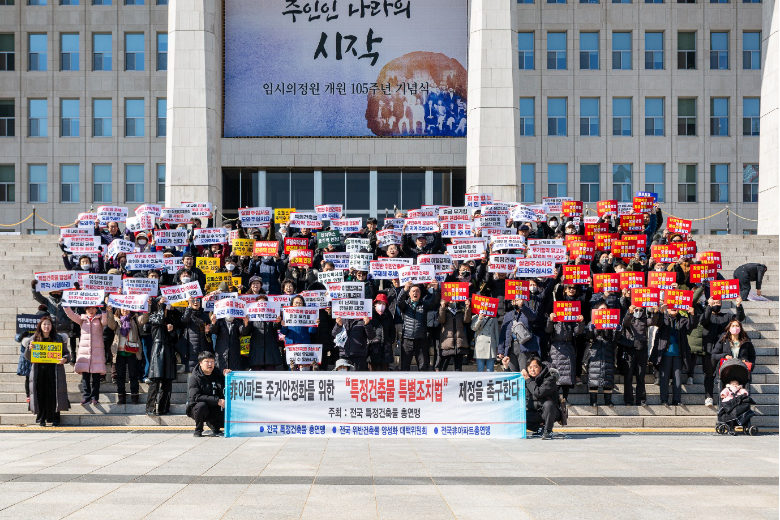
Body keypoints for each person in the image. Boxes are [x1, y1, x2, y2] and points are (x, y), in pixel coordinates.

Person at [22, 316, 70, 426]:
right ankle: (41, 418)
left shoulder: (58, 338)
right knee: (40, 394)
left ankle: (55, 418)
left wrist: (65, 359)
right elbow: (28, 357)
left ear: (52, 326)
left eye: (49, 324)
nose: (46, 326)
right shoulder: (34, 339)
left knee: (54, 393)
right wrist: (29, 349)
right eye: (44, 324)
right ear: (40, 326)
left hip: (54, 370)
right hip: (39, 370)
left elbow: (66, 353)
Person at [700, 296, 746, 406]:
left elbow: (739, 319)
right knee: (709, 374)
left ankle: (727, 397)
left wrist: (738, 305)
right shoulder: (708, 315)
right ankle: (708, 396)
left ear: (721, 304)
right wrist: (709, 306)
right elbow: (703, 321)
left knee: (727, 374)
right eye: (714, 302)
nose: (716, 304)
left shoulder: (727, 316)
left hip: (726, 350)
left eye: (718, 303)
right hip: (710, 350)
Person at [650, 303, 698, 406]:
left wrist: (692, 315)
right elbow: (656, 322)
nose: (673, 308)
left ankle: (677, 400)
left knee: (677, 378)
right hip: (665, 353)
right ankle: (664, 399)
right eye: (671, 306)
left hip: (678, 353)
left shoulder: (683, 319)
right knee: (664, 378)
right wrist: (660, 311)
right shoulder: (663, 317)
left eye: (675, 307)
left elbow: (692, 326)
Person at [64, 302, 108, 405]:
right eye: (89, 308)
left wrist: (104, 311)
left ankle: (95, 397)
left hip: (97, 352)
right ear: (85, 310)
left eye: (93, 308)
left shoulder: (99, 319)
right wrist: (65, 306)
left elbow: (105, 321)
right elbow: (71, 314)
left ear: (96, 309)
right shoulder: (82, 319)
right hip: (84, 352)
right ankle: (86, 397)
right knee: (85, 377)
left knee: (96, 377)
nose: (91, 310)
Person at [105, 305, 148, 404]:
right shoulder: (117, 320)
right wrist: (110, 312)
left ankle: (134, 396)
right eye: (123, 308)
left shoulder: (135, 319)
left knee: (133, 375)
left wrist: (147, 306)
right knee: (120, 376)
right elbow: (111, 324)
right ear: (119, 309)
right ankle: (121, 396)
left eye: (127, 308)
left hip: (132, 351)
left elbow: (145, 318)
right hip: (119, 352)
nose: (125, 310)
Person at [396, 281, 440, 371]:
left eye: (417, 291)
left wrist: (436, 289)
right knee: (404, 366)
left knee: (423, 366)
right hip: (407, 339)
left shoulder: (424, 304)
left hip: (421, 339)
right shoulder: (405, 305)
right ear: (409, 294)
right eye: (413, 291)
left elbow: (434, 302)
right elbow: (399, 301)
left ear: (420, 294)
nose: (415, 293)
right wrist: (405, 289)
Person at [147, 297, 179, 416]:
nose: (166, 307)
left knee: (167, 382)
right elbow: (159, 320)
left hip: (169, 351)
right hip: (158, 350)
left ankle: (163, 408)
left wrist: (171, 331)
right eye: (163, 305)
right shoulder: (153, 316)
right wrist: (160, 306)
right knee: (155, 381)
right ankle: (150, 408)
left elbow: (175, 338)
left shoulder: (170, 318)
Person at [583, 302, 619, 407]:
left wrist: (618, 331)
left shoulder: (612, 322)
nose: (603, 311)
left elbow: (615, 339)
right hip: (595, 352)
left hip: (608, 352)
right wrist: (592, 329)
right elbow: (588, 336)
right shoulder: (591, 322)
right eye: (601, 309)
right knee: (593, 377)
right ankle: (593, 400)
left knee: (608, 377)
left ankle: (608, 400)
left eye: (605, 309)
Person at [545, 311, 584, 402]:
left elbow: (579, 331)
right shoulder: (554, 319)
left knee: (567, 377)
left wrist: (581, 322)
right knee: (556, 375)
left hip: (568, 348)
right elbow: (548, 330)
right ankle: (555, 399)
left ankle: (565, 398)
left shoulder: (570, 320)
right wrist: (550, 320)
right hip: (556, 349)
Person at [186, 351, 227, 437]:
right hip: (198, 408)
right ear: (200, 363)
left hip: (215, 406)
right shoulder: (194, 378)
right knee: (201, 406)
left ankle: (215, 427)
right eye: (207, 361)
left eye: (212, 361)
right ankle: (198, 430)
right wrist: (217, 401)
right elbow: (196, 397)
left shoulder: (217, 373)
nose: (210, 364)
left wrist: (226, 376)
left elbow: (224, 387)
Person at [620, 304, 653, 406]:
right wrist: (630, 312)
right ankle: (628, 400)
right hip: (630, 348)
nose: (638, 312)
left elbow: (653, 321)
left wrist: (657, 312)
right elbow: (625, 322)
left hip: (642, 349)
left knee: (641, 376)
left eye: (641, 310)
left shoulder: (644, 319)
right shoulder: (629, 317)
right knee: (628, 376)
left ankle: (641, 400)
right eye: (636, 310)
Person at [523, 354, 561, 440]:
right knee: (518, 416)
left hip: (550, 412)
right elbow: (511, 382)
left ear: (540, 367)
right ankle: (539, 429)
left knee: (548, 405)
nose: (532, 369)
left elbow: (538, 393)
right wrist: (506, 367)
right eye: (530, 367)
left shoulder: (550, 378)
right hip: (535, 411)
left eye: (535, 367)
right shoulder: (526, 378)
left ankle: (548, 431)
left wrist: (528, 380)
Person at [499, 296, 540, 372]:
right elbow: (502, 333)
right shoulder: (508, 315)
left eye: (517, 300)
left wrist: (522, 306)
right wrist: (501, 350)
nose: (515, 302)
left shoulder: (527, 312)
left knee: (524, 372)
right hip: (510, 347)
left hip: (524, 347)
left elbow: (533, 318)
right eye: (513, 301)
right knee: (512, 373)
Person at [242, 295, 283, 371]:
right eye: (259, 303)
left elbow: (276, 327)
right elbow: (245, 332)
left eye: (264, 303)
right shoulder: (251, 316)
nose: (262, 305)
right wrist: (246, 323)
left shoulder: (273, 315)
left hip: (270, 350)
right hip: (256, 351)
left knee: (270, 374)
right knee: (256, 374)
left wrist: (277, 322)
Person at [437, 299, 472, 371]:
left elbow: (466, 320)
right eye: (451, 300)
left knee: (458, 369)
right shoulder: (445, 310)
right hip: (447, 343)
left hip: (459, 343)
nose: (453, 302)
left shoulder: (461, 310)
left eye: (455, 300)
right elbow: (441, 320)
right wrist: (442, 306)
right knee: (443, 367)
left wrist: (467, 308)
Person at [179, 297, 212, 372]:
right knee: (192, 369)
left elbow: (209, 333)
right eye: (193, 300)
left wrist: (207, 331)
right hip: (191, 345)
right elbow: (184, 320)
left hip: (203, 345)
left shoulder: (205, 316)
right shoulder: (188, 314)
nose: (196, 302)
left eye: (198, 300)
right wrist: (189, 306)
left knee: (203, 370)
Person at [368, 293, 395, 371]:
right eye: (379, 303)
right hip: (372, 346)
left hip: (386, 346)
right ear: (375, 304)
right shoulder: (370, 315)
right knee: (372, 371)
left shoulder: (389, 315)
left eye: (383, 304)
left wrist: (391, 340)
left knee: (385, 371)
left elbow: (392, 329)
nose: (381, 305)